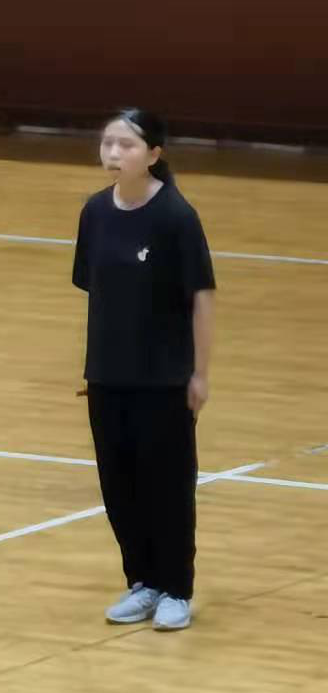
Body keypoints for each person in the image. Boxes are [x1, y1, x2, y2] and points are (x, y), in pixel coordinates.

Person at [74, 109, 216, 632]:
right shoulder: (95, 212)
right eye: (108, 142)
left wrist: (199, 374)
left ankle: (176, 587)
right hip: (107, 376)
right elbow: (96, 291)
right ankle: (143, 581)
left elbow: (201, 298)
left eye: (127, 144)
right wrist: (98, 364)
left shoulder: (176, 216)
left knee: (168, 486)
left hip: (164, 379)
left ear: (154, 154)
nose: (114, 153)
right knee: (119, 484)